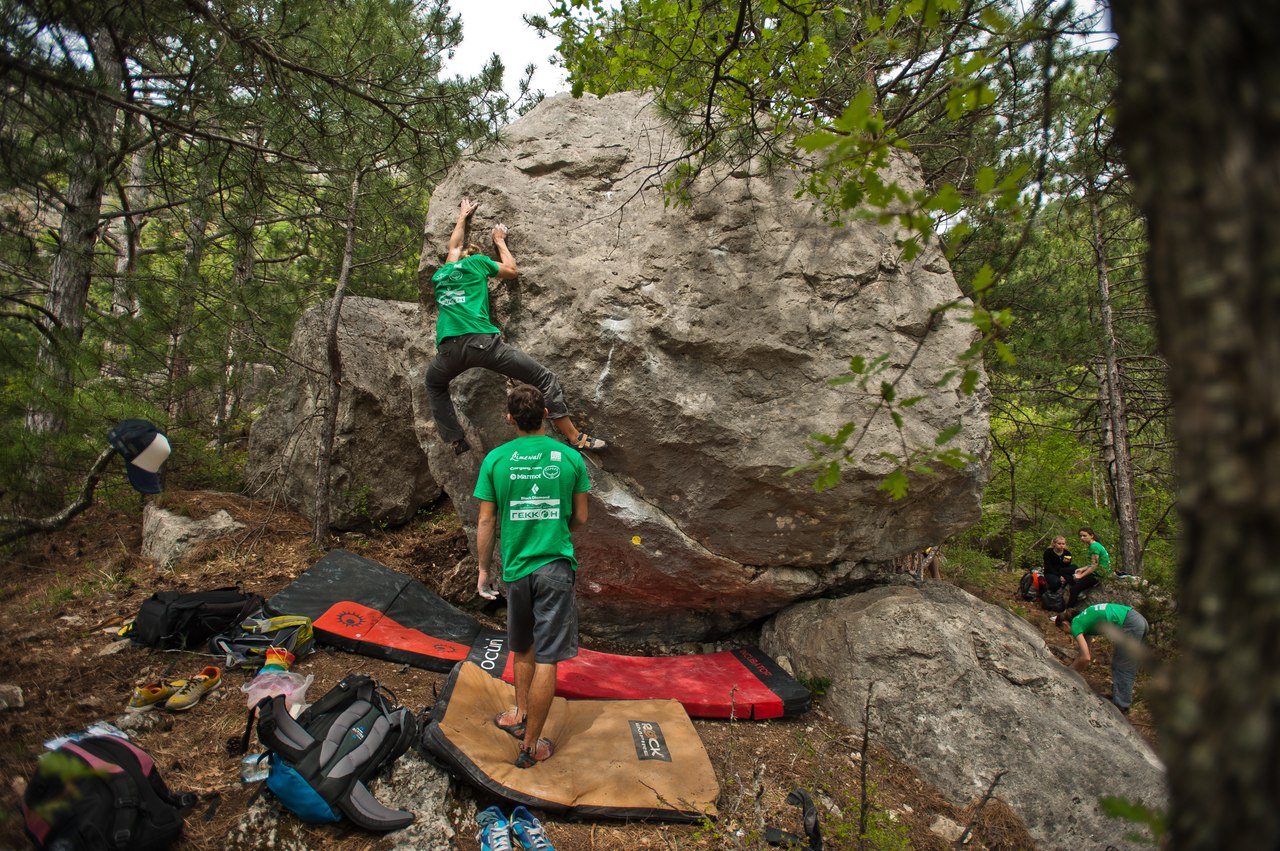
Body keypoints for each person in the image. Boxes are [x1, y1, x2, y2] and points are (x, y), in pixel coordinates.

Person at [425, 198, 606, 455]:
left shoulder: (441, 274)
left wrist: (462, 216)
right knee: (544, 378)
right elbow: (511, 270)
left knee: (434, 384)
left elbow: (453, 246)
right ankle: (575, 438)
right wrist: (499, 241)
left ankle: (456, 439)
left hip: (448, 351)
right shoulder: (477, 263)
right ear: (475, 256)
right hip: (482, 343)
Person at [473, 383, 591, 767]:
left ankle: (520, 715)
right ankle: (532, 744)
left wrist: (483, 570)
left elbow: (487, 520)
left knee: (522, 645)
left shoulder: (496, 460)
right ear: (545, 414)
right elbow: (582, 518)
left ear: (509, 418)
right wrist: (553, 531)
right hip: (554, 565)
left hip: (516, 568)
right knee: (547, 658)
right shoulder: (570, 459)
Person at [1056, 603, 1149, 714]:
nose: (1065, 634)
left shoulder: (1076, 624)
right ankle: (1118, 695)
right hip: (1137, 619)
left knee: (1123, 665)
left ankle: (1121, 705)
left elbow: (1085, 658)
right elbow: (1084, 655)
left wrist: (1067, 673)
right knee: (1122, 662)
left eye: (1063, 630)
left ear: (1065, 624)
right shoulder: (1083, 619)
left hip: (1130, 623)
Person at [1069, 527, 1111, 602]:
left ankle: (1069, 611)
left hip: (1099, 574)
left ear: (1091, 536)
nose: (1082, 538)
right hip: (1099, 571)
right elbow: (1094, 563)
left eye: (1084, 536)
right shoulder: (1094, 545)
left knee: (1074, 589)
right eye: (1081, 536)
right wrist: (1082, 569)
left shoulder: (1094, 547)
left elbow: (1094, 565)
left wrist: (1080, 576)